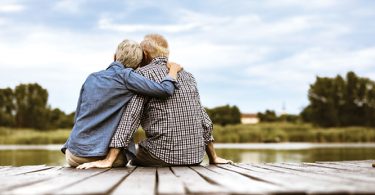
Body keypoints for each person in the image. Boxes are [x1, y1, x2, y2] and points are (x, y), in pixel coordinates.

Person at [77, 34, 231, 169]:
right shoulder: (188, 76)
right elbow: (203, 118)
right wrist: (213, 157)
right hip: (195, 157)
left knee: (131, 155)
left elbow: (130, 118)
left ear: (144, 55)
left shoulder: (141, 75)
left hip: (160, 156)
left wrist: (109, 160)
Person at [61, 39, 182, 167]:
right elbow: (165, 90)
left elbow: (78, 117)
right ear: (139, 64)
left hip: (73, 154)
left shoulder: (91, 77)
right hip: (99, 156)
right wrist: (173, 70)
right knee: (130, 157)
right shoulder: (127, 77)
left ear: (114, 57)